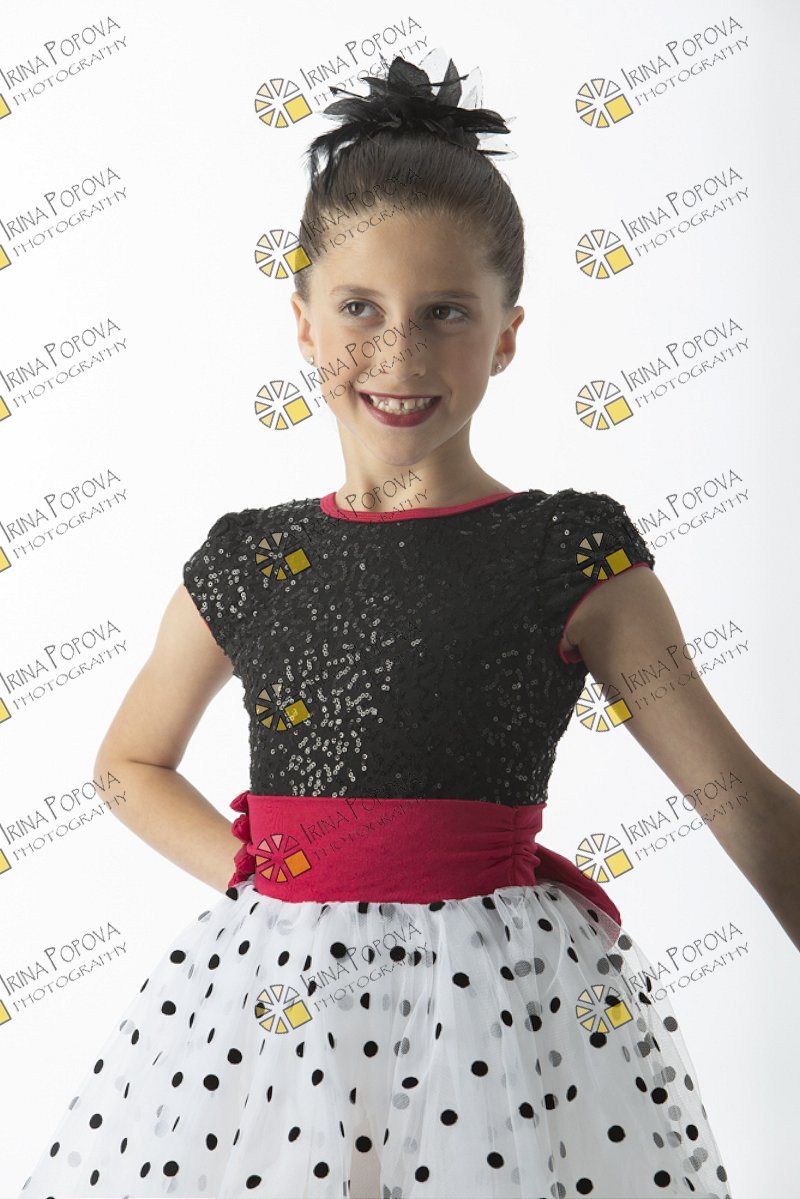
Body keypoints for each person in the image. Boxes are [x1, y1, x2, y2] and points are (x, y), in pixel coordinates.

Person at [17, 47, 799, 1199]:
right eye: (358, 309)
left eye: (444, 314)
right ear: (300, 322)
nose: (396, 354)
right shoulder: (250, 559)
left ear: (506, 334)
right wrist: (264, 873)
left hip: (502, 1006)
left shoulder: (567, 551)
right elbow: (128, 761)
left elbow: (730, 792)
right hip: (276, 1006)